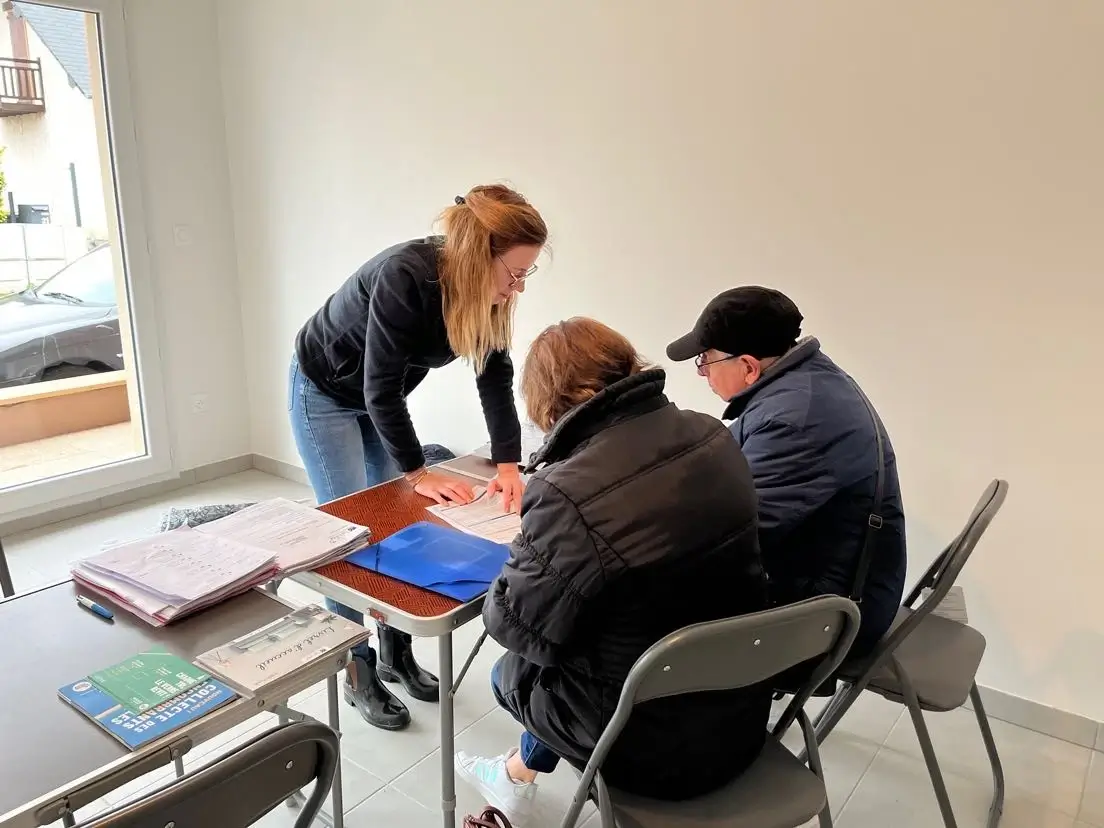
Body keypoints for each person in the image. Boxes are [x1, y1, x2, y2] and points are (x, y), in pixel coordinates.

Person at [455, 318, 771, 823]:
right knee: (607, 619)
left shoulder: (567, 491)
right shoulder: (711, 433)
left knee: (511, 673)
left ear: (549, 403)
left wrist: (529, 551)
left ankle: (515, 779)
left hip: (646, 753)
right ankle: (517, 774)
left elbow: (515, 628)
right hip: (740, 715)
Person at [289, 184, 548, 731]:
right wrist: (417, 471)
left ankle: (395, 651)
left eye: (527, 275)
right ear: (482, 258)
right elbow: (377, 388)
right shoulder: (408, 276)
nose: (518, 286)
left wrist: (507, 465)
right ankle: (357, 669)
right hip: (325, 392)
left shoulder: (490, 295)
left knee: (393, 526)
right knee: (348, 536)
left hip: (379, 395)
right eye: (514, 273)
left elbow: (495, 377)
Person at [666, 286, 907, 659]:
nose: (702, 374)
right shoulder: (805, 379)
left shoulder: (795, 420)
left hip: (832, 609)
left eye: (705, 360)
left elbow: (738, 534)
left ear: (748, 366)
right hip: (831, 575)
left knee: (640, 604)